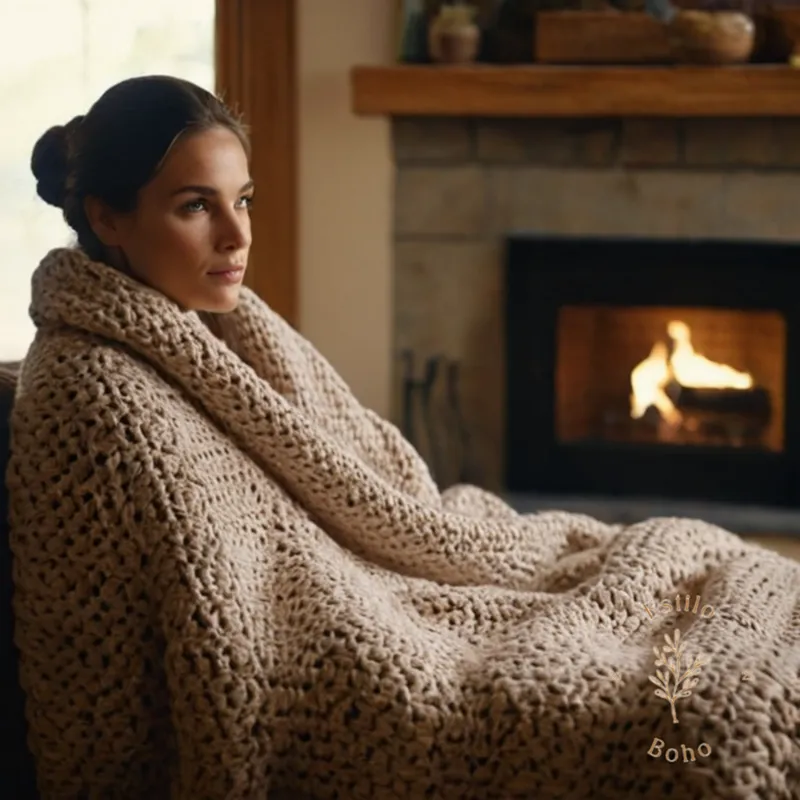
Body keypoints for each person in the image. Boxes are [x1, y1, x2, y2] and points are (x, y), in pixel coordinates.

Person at [8, 76, 800, 800]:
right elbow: (104, 655)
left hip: (395, 584)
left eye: (242, 199)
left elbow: (374, 481)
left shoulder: (219, 327)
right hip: (340, 645)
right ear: (108, 216)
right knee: (699, 735)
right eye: (195, 206)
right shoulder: (89, 390)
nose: (236, 235)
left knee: (716, 603)